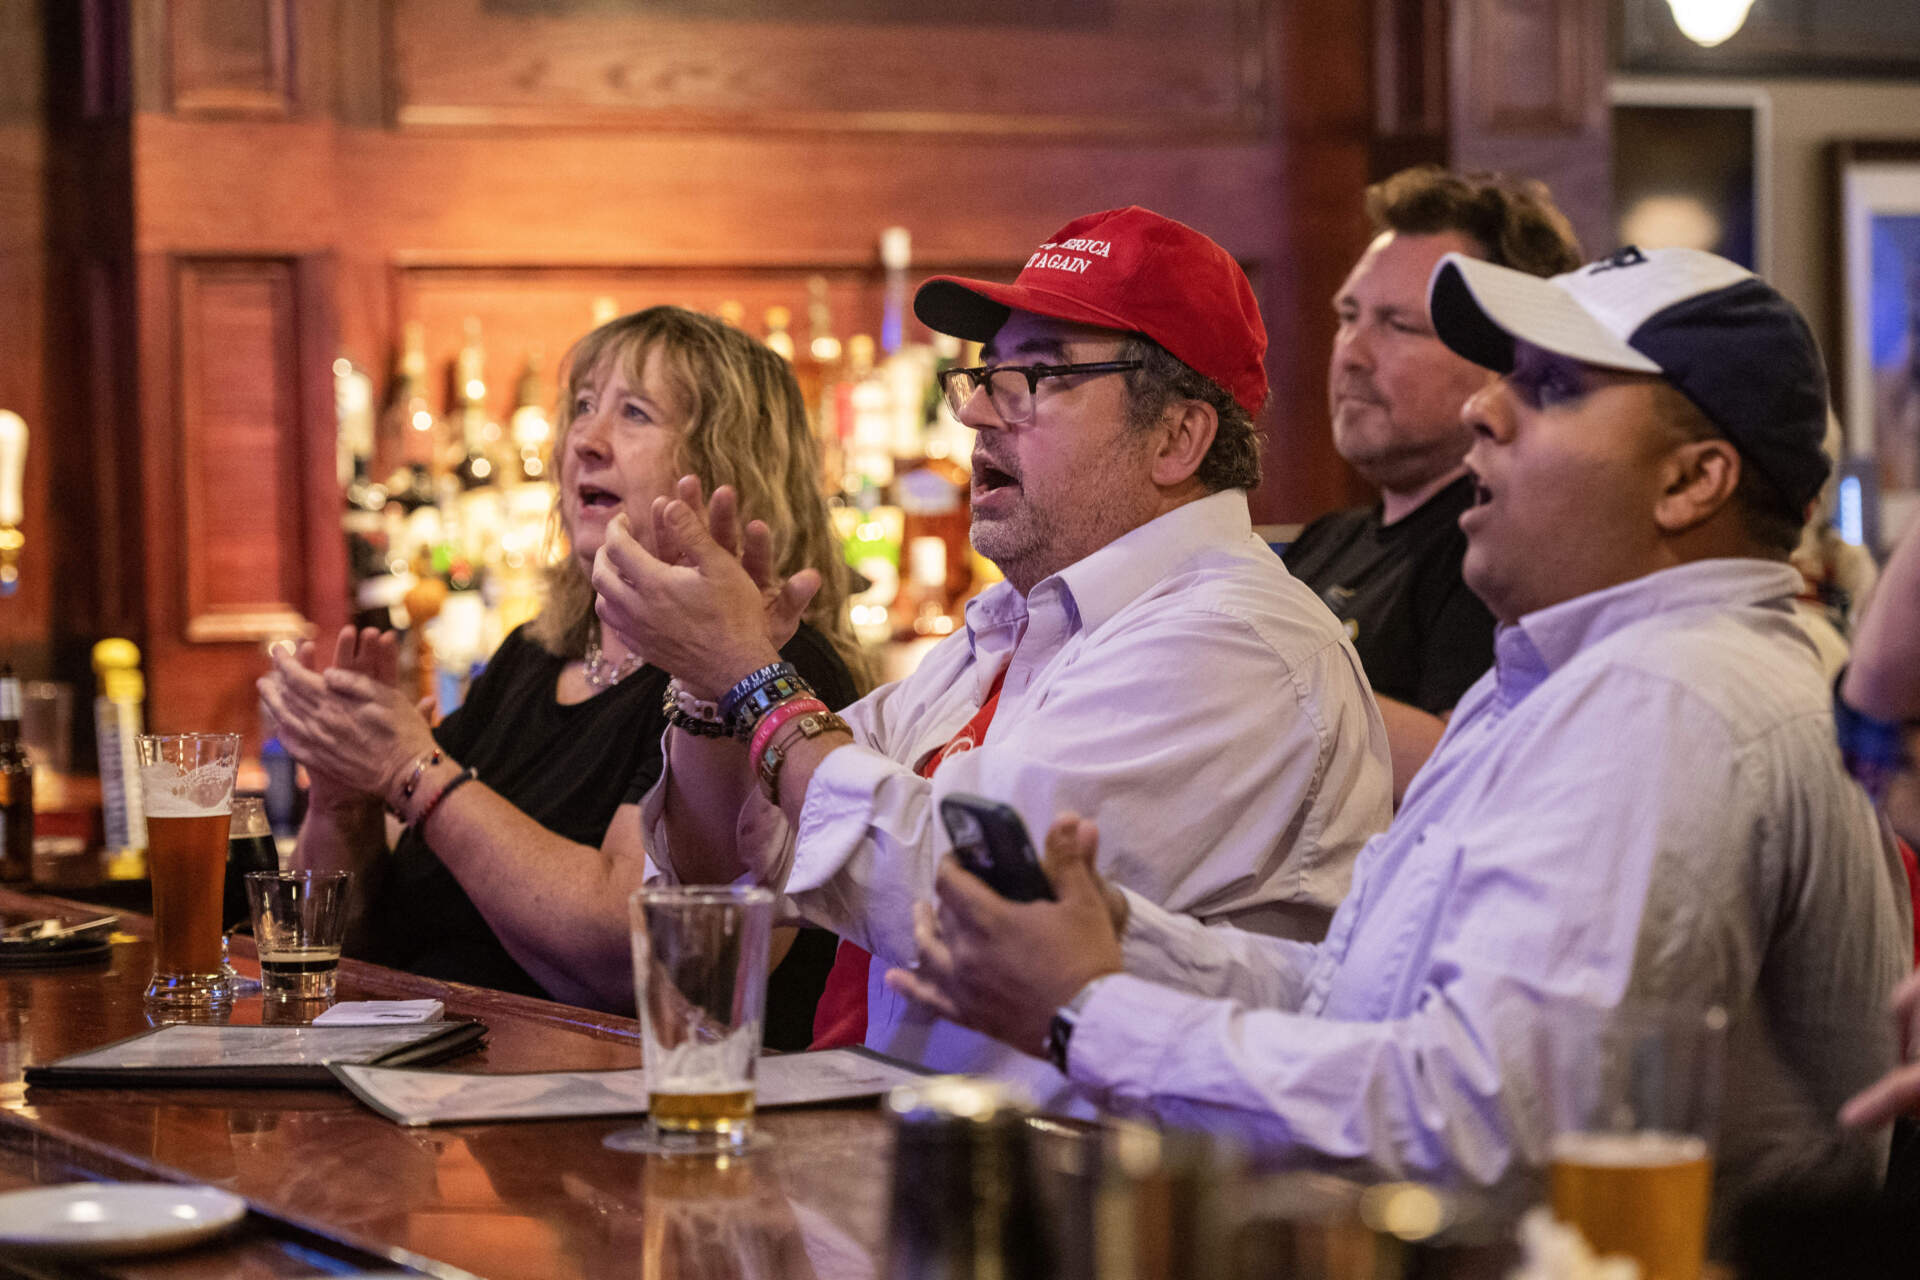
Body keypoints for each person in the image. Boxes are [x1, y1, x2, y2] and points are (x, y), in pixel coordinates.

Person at [889, 245, 1912, 1237]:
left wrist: (1087, 1011)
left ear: (1693, 480)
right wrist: (1120, 940)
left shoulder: (1675, 692)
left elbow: (1479, 1127)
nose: (1483, 405)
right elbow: (1360, 997)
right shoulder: (1560, 679)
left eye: (1551, 387)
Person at [592, 206, 1392, 1101]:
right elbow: (740, 860)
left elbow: (963, 900)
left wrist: (752, 678)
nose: (975, 410)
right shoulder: (1012, 627)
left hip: (1112, 1209)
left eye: (1037, 376)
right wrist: (710, 690)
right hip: (921, 1168)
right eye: (983, 376)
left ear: (1178, 437)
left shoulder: (1237, 643)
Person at [259, 307, 864, 1044]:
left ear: (727, 464)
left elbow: (628, 950)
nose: (586, 439)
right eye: (581, 407)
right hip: (443, 1107)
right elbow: (337, 951)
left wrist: (414, 770)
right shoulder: (530, 656)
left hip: (623, 1120)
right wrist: (345, 799)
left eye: (634, 413)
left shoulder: (767, 673)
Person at [1283, 166, 1582, 801]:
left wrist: (1240, 685)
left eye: (1399, 325)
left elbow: (1468, 772)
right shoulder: (1328, 539)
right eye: (1348, 315)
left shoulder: (1500, 551)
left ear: (1503, 354)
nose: (1352, 353)